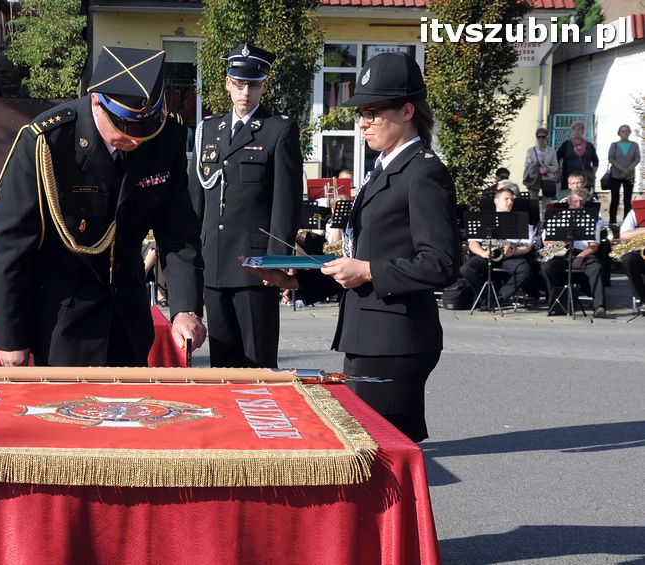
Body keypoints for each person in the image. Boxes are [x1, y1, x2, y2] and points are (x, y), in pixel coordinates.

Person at [249, 52, 459, 442]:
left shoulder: (423, 172)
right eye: (360, 113)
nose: (362, 122)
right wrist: (300, 282)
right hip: (372, 335)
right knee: (371, 450)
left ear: (407, 111)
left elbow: (441, 263)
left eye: (373, 112)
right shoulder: (385, 168)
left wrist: (367, 270)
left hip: (396, 339)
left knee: (378, 451)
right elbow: (362, 254)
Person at [0, 46, 206, 367]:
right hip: (64, 318)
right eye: (125, 127)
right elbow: (10, 242)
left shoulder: (164, 138)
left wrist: (186, 309)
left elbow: (179, 231)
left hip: (129, 318)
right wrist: (11, 336)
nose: (136, 140)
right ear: (96, 102)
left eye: (144, 129)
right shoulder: (48, 141)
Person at [190, 42, 303, 368]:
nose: (245, 92)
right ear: (227, 83)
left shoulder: (278, 130)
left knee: (257, 363)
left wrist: (275, 261)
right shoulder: (208, 130)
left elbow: (286, 202)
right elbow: (195, 201)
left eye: (253, 85)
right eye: (239, 84)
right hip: (213, 261)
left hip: (255, 265)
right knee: (222, 366)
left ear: (264, 86)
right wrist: (191, 259)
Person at [460, 182, 535, 306]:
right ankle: (487, 297)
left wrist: (514, 252)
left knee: (524, 271)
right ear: (496, 201)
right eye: (506, 199)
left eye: (511, 200)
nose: (510, 202)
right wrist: (483, 253)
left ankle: (499, 298)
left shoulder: (521, 220)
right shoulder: (484, 220)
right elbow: (473, 243)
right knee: (466, 269)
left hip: (510, 256)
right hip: (489, 254)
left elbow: (528, 246)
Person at [540, 180, 607, 318]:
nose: (578, 205)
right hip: (561, 252)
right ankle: (557, 301)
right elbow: (545, 240)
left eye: (581, 202)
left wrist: (581, 256)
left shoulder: (591, 220)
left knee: (596, 267)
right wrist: (559, 244)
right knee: (546, 267)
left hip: (583, 253)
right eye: (576, 201)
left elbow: (594, 246)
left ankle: (599, 306)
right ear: (569, 202)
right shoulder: (557, 218)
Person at [606, 124, 641, 225]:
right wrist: (622, 169)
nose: (625, 133)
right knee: (615, 199)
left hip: (629, 176)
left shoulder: (634, 145)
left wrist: (628, 170)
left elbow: (637, 159)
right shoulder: (614, 145)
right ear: (619, 133)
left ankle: (627, 222)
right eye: (622, 131)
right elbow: (611, 158)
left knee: (627, 199)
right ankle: (612, 222)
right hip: (615, 175)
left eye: (627, 131)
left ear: (629, 132)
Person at [616, 207, 645, 311]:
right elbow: (624, 235)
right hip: (640, 253)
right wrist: (643, 231)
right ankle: (642, 297)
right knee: (627, 260)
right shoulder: (635, 213)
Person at [556, 120, 599, 189]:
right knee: (569, 195)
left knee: (584, 194)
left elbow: (595, 162)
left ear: (583, 131)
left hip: (584, 178)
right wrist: (558, 171)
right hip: (569, 177)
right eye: (574, 129)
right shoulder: (566, 144)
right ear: (572, 131)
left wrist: (592, 174)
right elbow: (556, 158)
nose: (576, 131)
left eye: (579, 129)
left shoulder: (589, 145)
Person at [523, 127, 559, 203]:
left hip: (547, 178)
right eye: (539, 137)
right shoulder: (531, 151)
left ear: (547, 137)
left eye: (543, 137)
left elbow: (555, 166)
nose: (541, 139)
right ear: (536, 138)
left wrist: (547, 169)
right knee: (534, 202)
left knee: (547, 201)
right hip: (534, 178)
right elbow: (527, 165)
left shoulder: (551, 151)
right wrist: (537, 169)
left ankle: (544, 210)